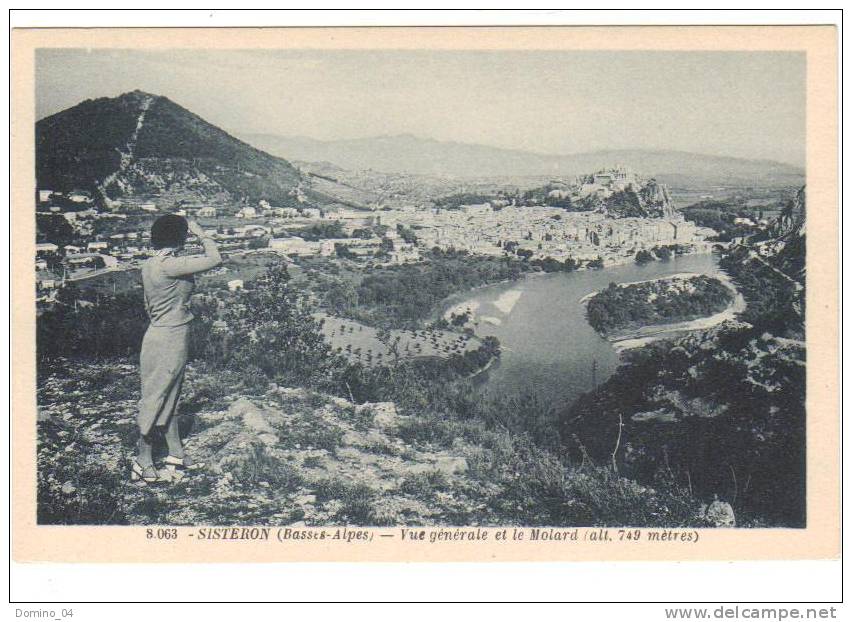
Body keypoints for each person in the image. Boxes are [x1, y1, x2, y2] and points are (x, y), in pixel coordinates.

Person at [132, 214, 222, 484]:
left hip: (161, 332)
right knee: (156, 397)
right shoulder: (171, 265)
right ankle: (142, 459)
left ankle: (176, 454)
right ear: (180, 236)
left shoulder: (150, 264)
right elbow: (215, 258)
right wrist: (201, 233)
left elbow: (149, 305)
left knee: (169, 396)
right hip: (170, 336)